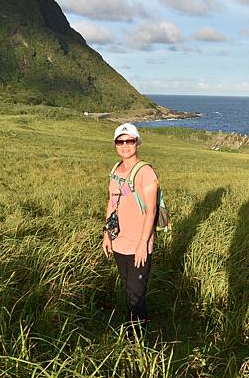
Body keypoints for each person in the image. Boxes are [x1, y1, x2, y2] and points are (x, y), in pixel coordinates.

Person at [102, 123, 159, 338]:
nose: (125, 145)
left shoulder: (146, 172)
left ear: (137, 142)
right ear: (115, 144)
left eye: (130, 140)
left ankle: (136, 341)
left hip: (138, 243)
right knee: (128, 289)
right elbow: (111, 203)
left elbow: (151, 210)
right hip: (119, 241)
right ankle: (131, 332)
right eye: (120, 141)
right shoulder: (116, 170)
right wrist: (107, 234)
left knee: (137, 294)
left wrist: (143, 243)